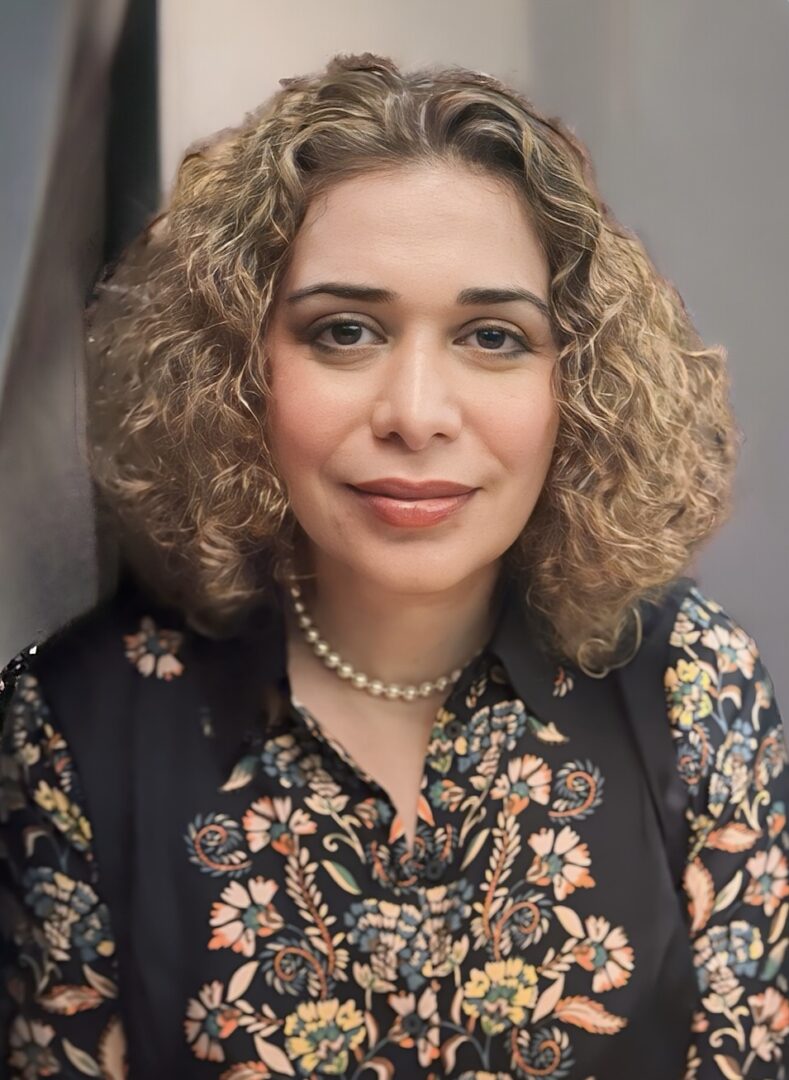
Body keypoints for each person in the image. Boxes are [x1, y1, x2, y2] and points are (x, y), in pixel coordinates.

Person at [1, 50, 787, 1080]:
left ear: (579, 382)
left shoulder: (694, 681)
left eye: (494, 337)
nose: (416, 415)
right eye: (345, 331)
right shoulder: (66, 735)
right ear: (239, 366)